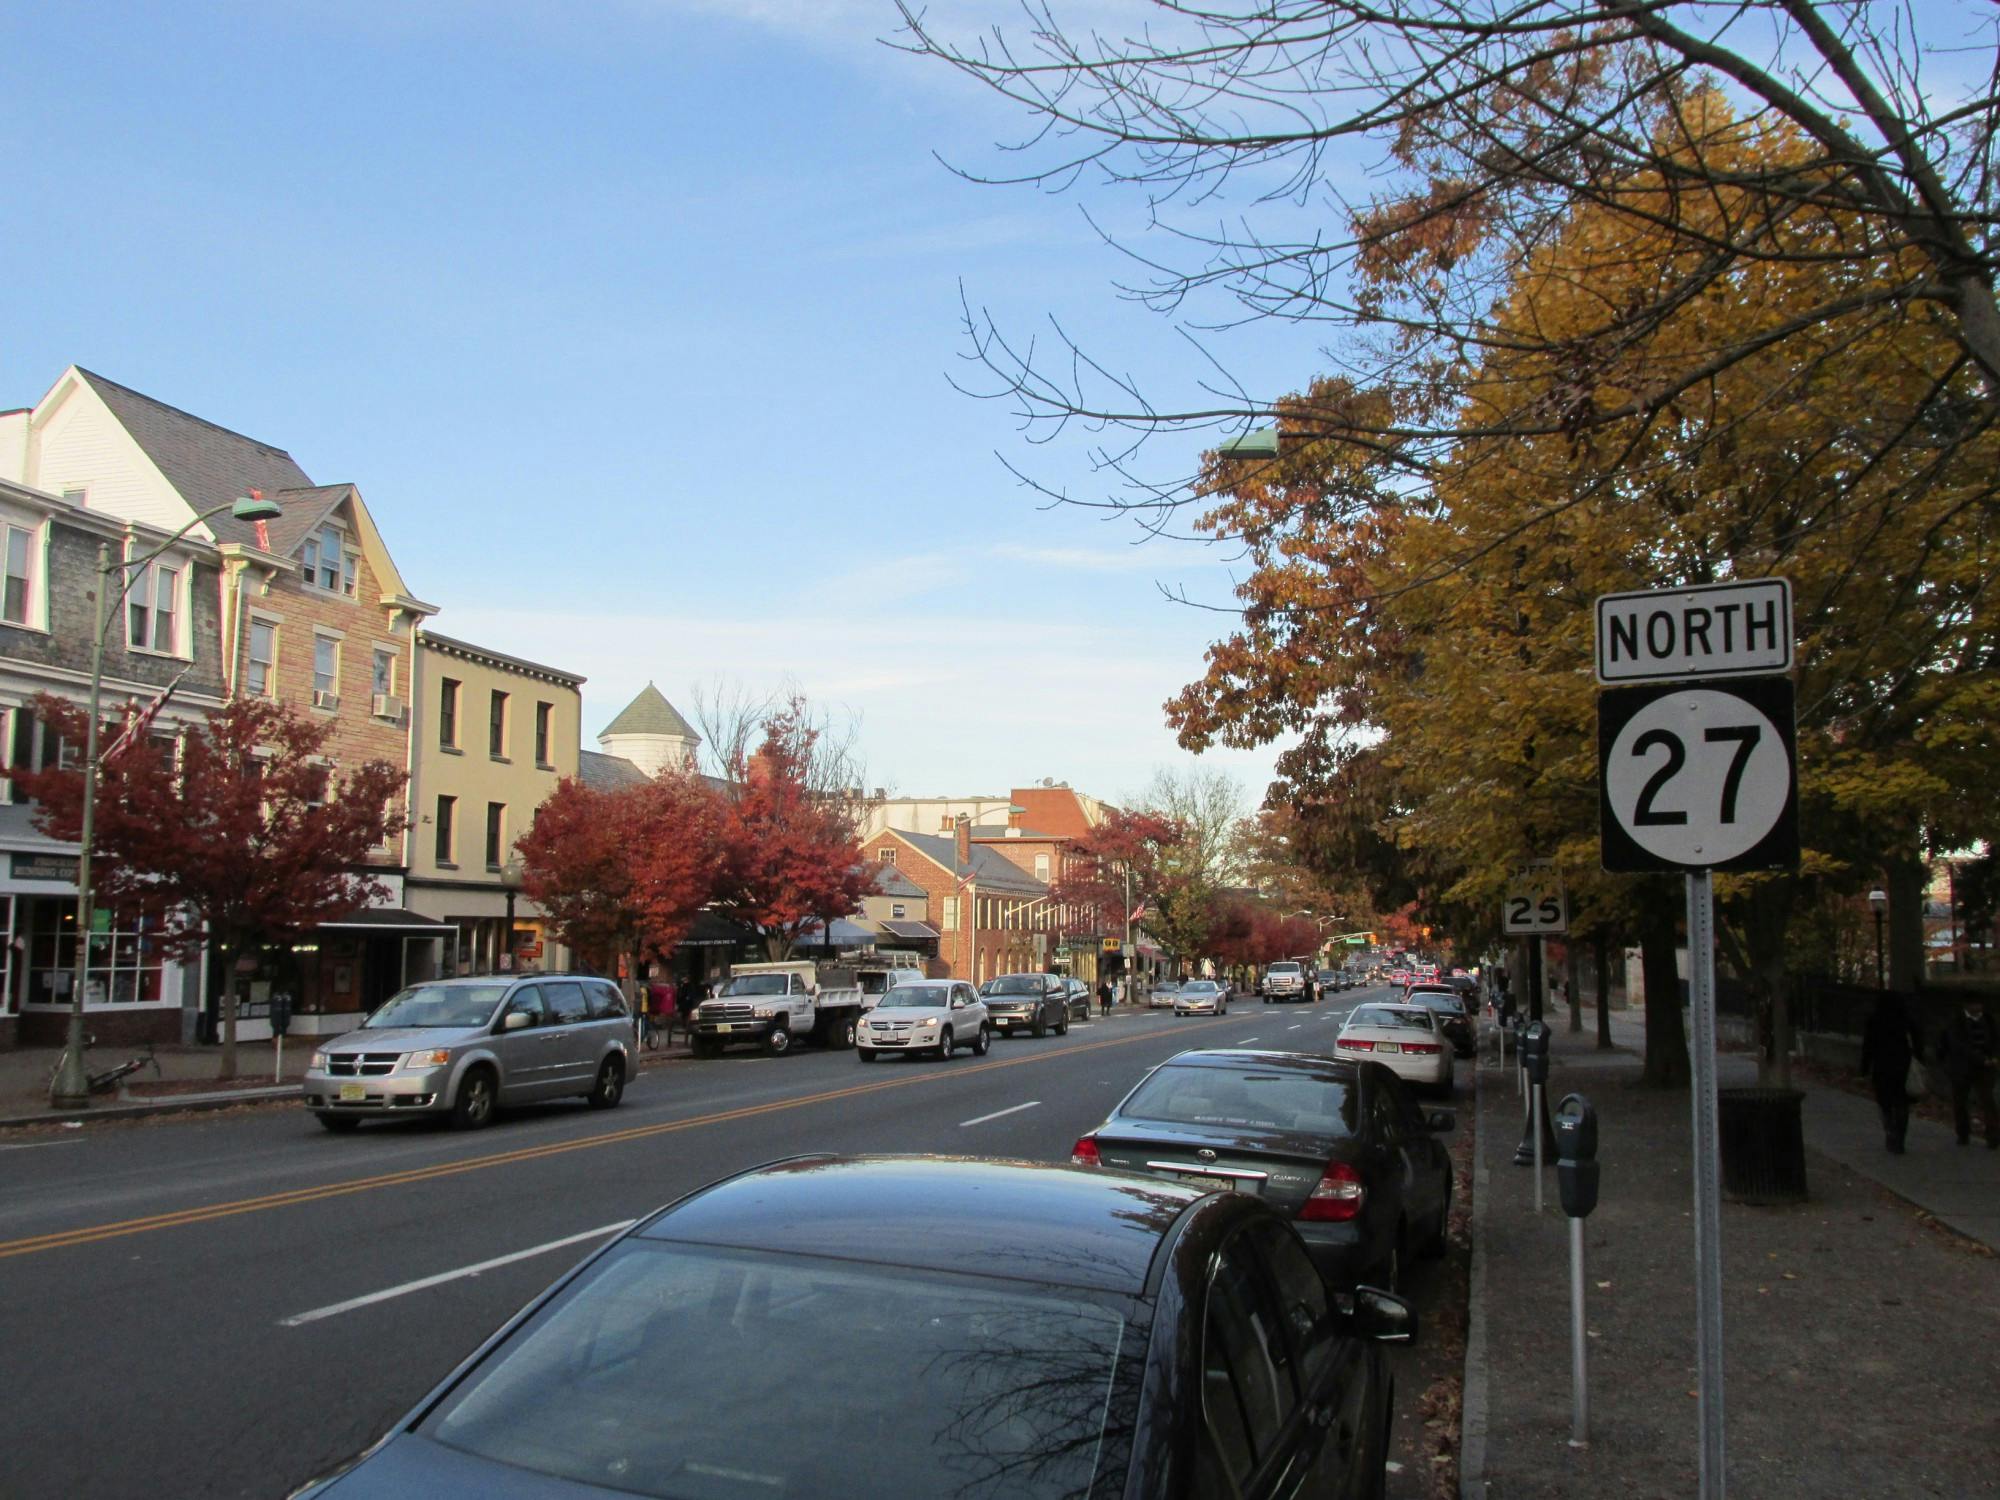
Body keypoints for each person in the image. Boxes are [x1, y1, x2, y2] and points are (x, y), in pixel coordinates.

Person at [1858, 990, 1924, 1154]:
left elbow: (1868, 1046)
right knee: (1902, 1102)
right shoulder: (1906, 1020)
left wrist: (1864, 1069)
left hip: (1882, 1066)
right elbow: (1918, 1044)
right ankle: (1900, 1135)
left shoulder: (1875, 1020)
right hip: (1903, 1064)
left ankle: (1889, 1128)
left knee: (1884, 1101)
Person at [1937, 999, 2000, 1149]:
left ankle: (1993, 1135)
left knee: (1988, 1100)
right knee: (1960, 1101)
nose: (1977, 1007)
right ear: (1966, 1006)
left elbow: (1996, 1040)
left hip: (1985, 1068)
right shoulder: (1956, 1023)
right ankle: (1963, 1132)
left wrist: (1994, 1057)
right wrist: (1981, 1059)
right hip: (1962, 1067)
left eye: (1979, 1004)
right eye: (1974, 1004)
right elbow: (1958, 1046)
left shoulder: (1989, 1021)